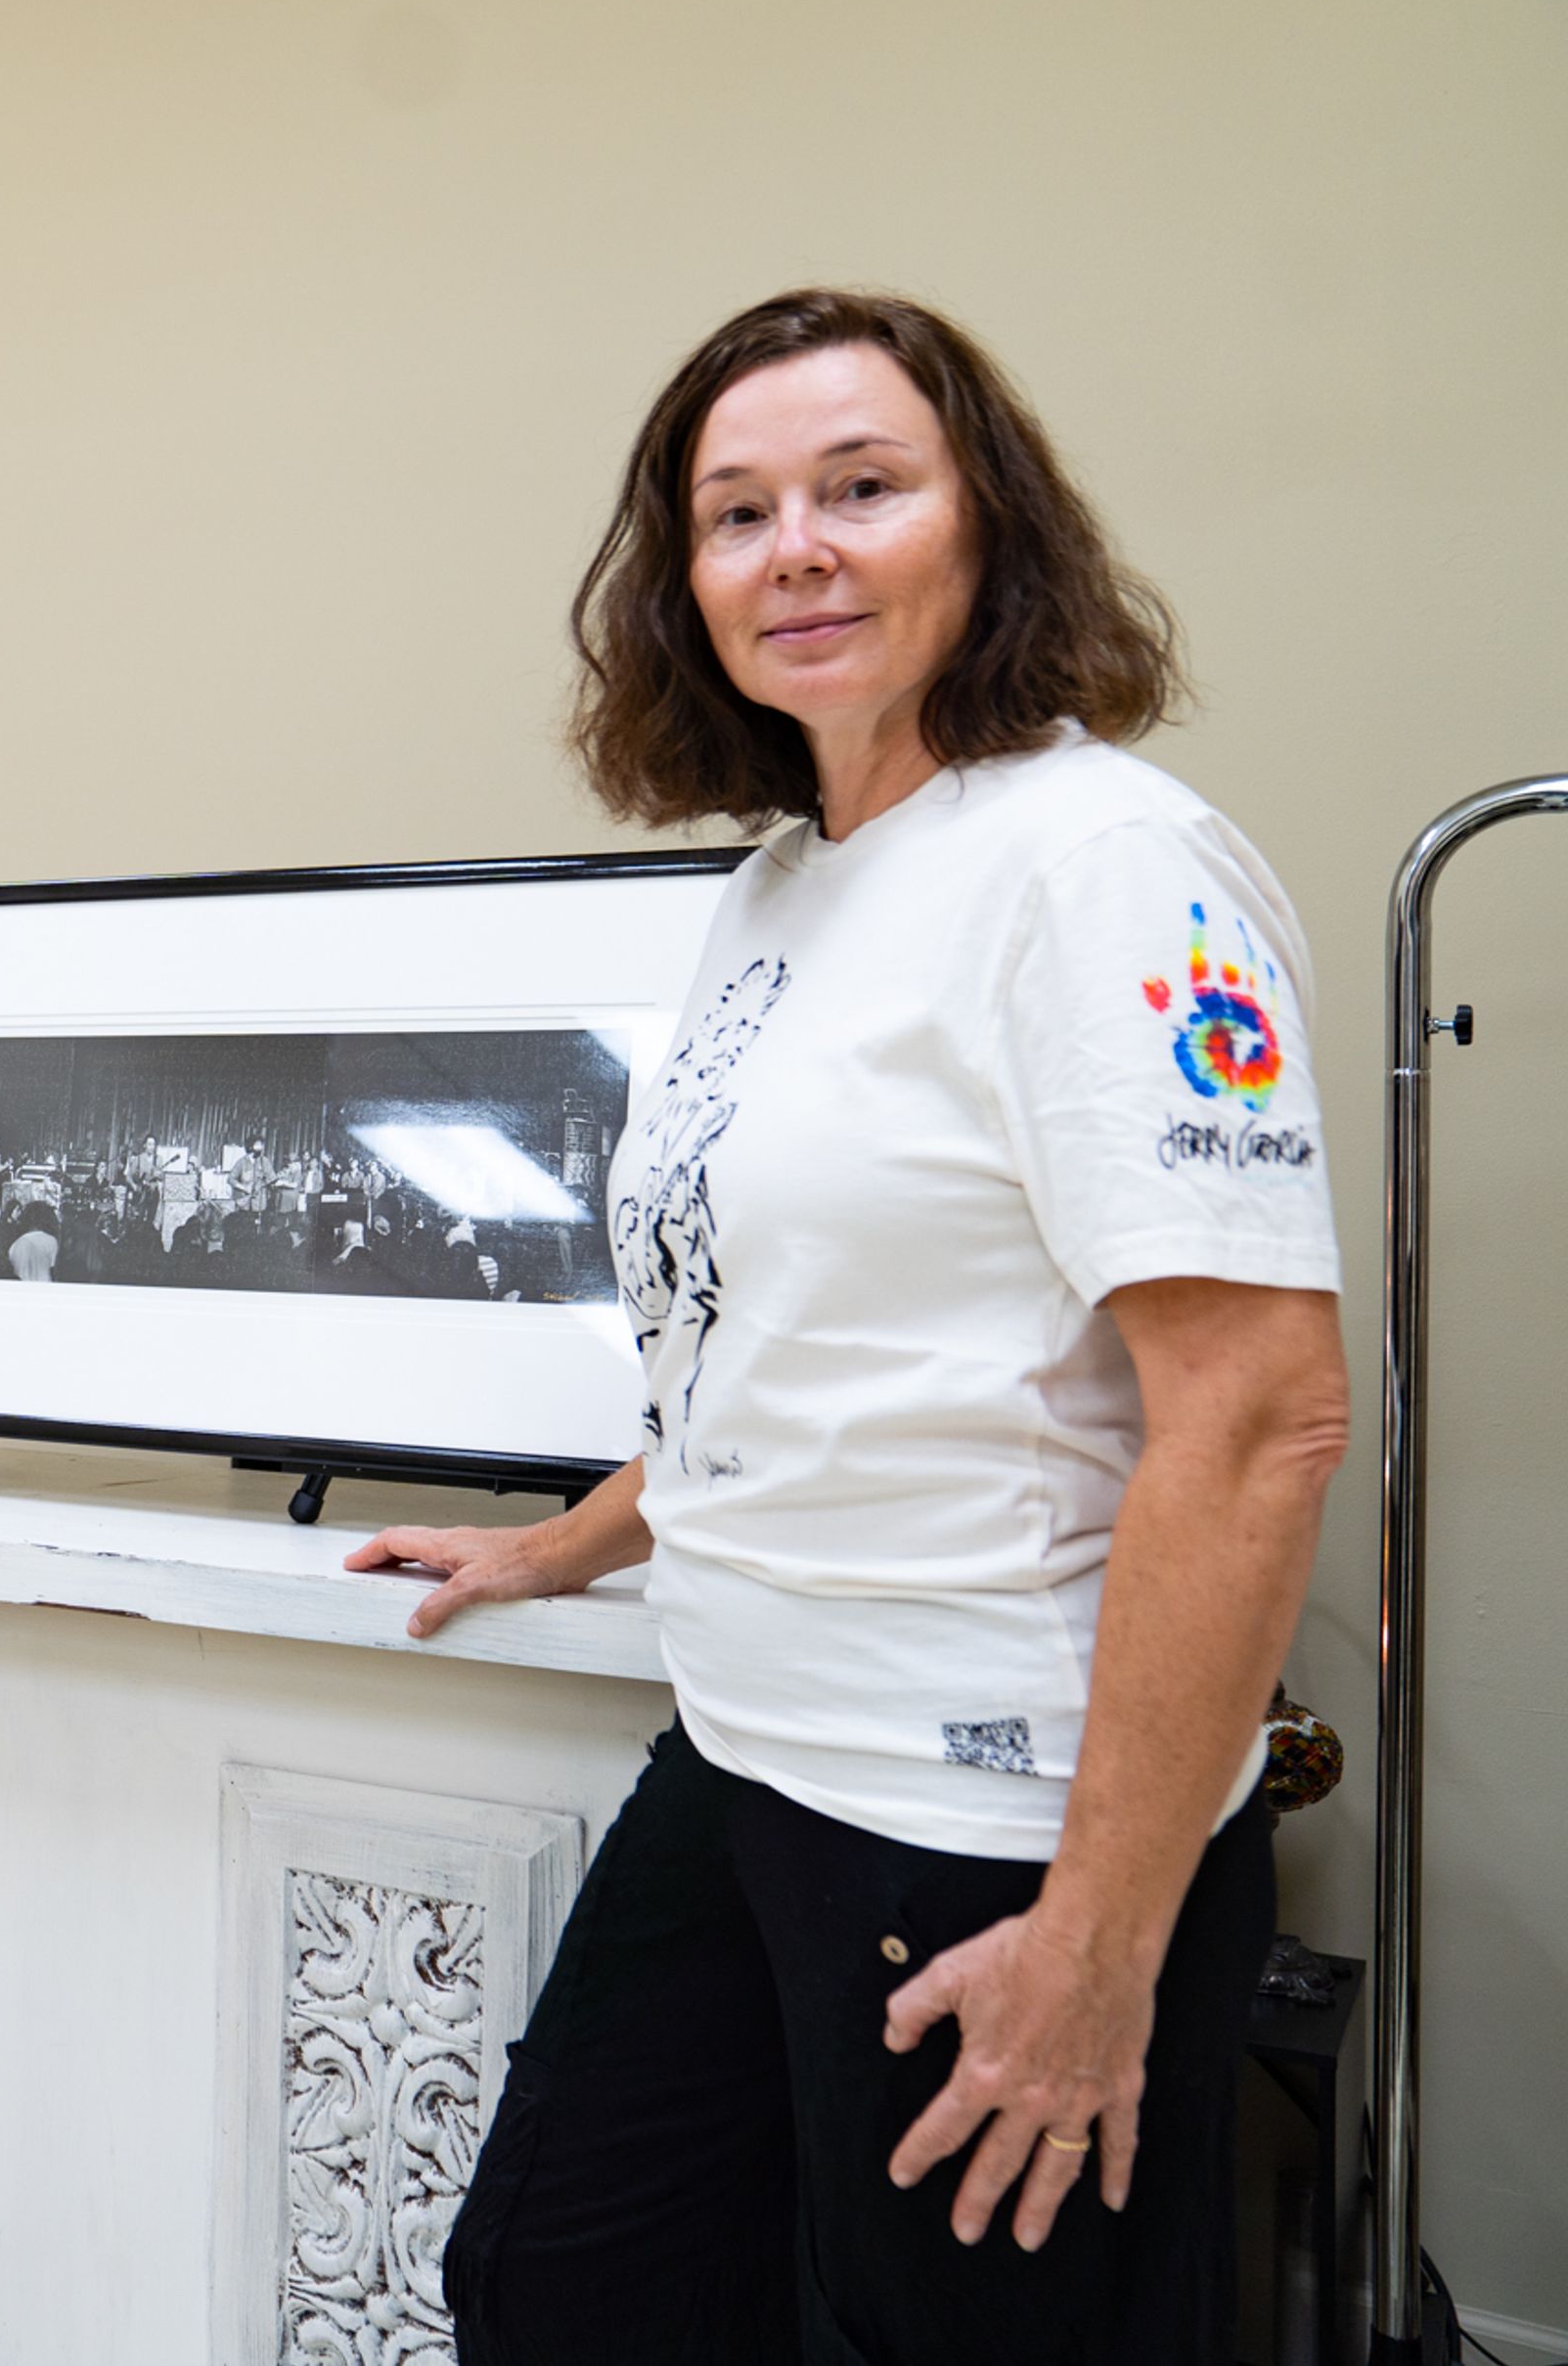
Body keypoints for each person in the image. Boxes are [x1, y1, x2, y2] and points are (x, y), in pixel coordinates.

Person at [345, 291, 1345, 2364]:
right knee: (561, 2280)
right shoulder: (793, 880)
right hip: (752, 1745)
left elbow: (1256, 1421)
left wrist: (1100, 1940)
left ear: (988, 534)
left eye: (861, 487)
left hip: (986, 1811)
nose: (794, 545)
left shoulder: (1102, 868)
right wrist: (566, 1539)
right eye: (734, 512)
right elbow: (782, 1346)